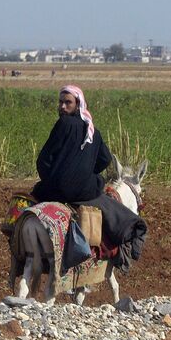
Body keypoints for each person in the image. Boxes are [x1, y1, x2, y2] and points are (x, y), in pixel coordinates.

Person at [31, 85, 147, 273]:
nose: (62, 106)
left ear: (78, 105)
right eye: (60, 102)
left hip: (57, 189)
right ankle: (132, 232)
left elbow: (44, 159)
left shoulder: (63, 124)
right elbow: (105, 159)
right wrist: (85, 173)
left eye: (67, 102)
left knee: (34, 194)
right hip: (83, 191)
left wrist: (50, 179)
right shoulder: (94, 131)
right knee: (110, 204)